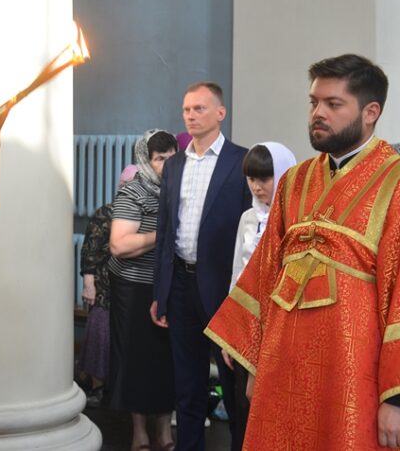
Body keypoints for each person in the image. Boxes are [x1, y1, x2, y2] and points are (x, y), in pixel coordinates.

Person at [207, 54, 400, 450]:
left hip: (352, 370)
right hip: (282, 363)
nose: (318, 113)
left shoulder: (394, 180)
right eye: (314, 102)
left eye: (333, 104)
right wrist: (255, 360)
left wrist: (395, 397)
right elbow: (266, 271)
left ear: (371, 112)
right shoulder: (295, 180)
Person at [151, 82, 252, 451]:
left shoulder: (240, 161)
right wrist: (160, 293)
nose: (191, 116)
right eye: (186, 110)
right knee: (188, 384)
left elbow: (248, 235)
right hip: (180, 284)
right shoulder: (175, 164)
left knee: (233, 384)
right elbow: (165, 231)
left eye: (199, 109)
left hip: (222, 288)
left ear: (220, 113)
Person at [217, 141, 295, 451]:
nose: (257, 186)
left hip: (281, 326)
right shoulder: (248, 218)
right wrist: (230, 333)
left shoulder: (295, 220)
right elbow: (236, 275)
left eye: (265, 178)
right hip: (248, 324)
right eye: (251, 179)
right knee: (242, 405)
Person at [109, 130, 178, 451]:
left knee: (166, 359)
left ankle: (164, 429)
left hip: (169, 285)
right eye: (159, 158)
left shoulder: (178, 190)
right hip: (134, 288)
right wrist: (162, 232)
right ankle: (139, 431)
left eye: (172, 157)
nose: (167, 164)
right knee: (136, 360)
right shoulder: (133, 191)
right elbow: (120, 245)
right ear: (145, 160)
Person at [78, 164, 136, 407]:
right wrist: (89, 285)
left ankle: (122, 388)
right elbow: (90, 251)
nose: (125, 190)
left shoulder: (143, 214)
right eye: (123, 185)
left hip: (132, 288)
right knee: (100, 334)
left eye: (130, 186)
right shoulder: (105, 214)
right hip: (104, 286)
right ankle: (98, 387)